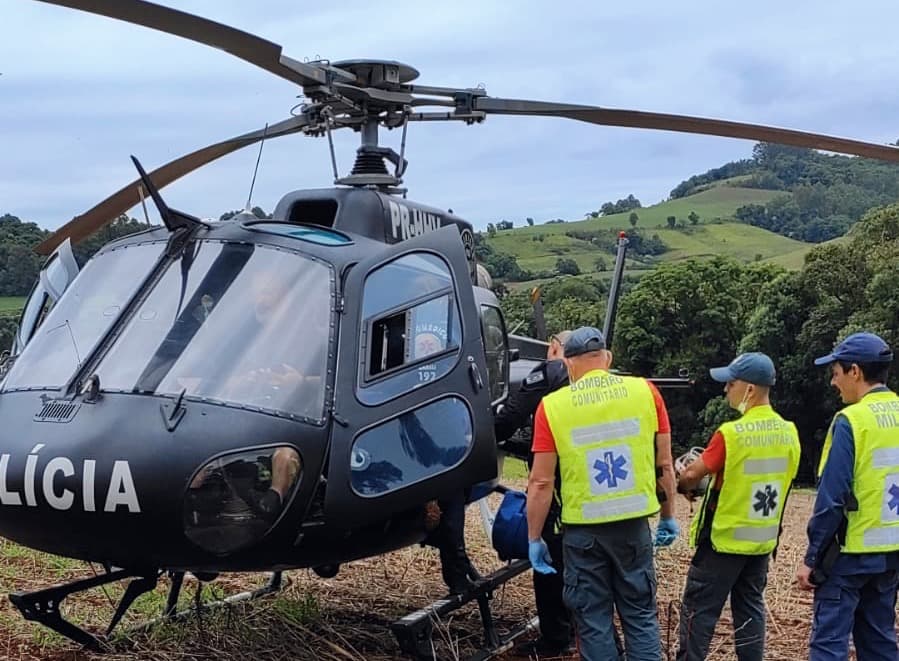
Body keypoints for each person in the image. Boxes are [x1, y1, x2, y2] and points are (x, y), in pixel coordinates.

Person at [526, 326, 678, 661]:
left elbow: (541, 482)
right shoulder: (646, 392)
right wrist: (668, 517)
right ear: (607, 358)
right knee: (640, 615)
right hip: (633, 529)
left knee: (593, 620)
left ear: (568, 364)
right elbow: (665, 464)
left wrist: (534, 537)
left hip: (583, 535)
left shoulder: (552, 406)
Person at [675, 352, 800, 661]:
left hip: (723, 543)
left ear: (750, 389)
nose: (725, 389)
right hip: (761, 543)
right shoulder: (790, 432)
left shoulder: (731, 434)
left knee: (698, 612)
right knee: (750, 610)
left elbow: (692, 474)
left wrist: (684, 485)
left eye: (730, 384)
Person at [795, 332, 899, 661]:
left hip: (848, 555)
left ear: (855, 371)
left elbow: (832, 498)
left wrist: (812, 558)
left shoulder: (851, 421)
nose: (833, 382)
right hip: (891, 554)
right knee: (880, 641)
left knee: (828, 645)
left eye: (836, 372)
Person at [494, 330, 576, 657]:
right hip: (589, 486)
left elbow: (512, 414)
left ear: (555, 348)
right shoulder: (601, 385)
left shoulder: (551, 371)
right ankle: (586, 634)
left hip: (555, 483)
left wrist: (488, 434)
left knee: (550, 561)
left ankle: (556, 639)